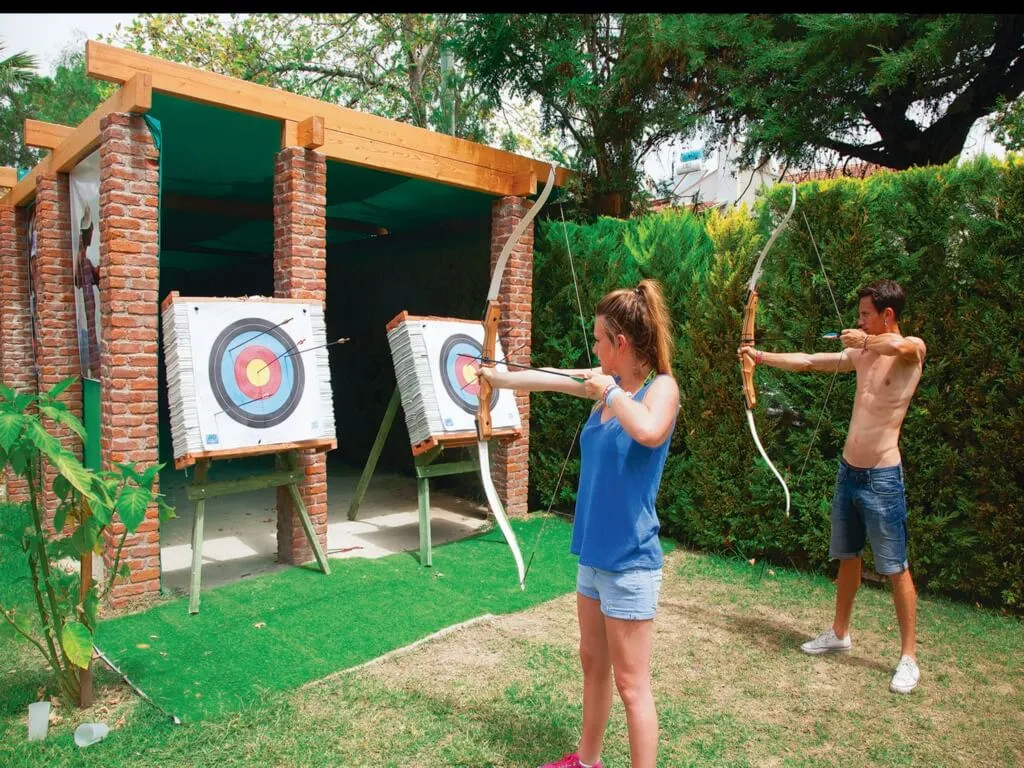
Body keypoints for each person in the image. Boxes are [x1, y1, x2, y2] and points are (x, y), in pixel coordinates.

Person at [480, 279, 679, 768]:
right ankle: (588, 762)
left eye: (598, 339)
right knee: (593, 664)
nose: (593, 348)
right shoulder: (603, 385)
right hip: (593, 557)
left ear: (620, 343)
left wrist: (608, 392)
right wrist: (494, 377)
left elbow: (649, 430)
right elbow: (546, 378)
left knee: (632, 685)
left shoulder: (661, 389)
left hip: (631, 562)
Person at [737, 279, 926, 694]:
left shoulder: (911, 349)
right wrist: (760, 356)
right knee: (848, 557)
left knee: (895, 567)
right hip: (849, 471)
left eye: (865, 315)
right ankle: (839, 633)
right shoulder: (862, 354)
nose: (859, 322)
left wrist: (866, 340)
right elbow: (809, 361)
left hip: (882, 476)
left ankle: (908, 657)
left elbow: (902, 347)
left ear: (887, 315)